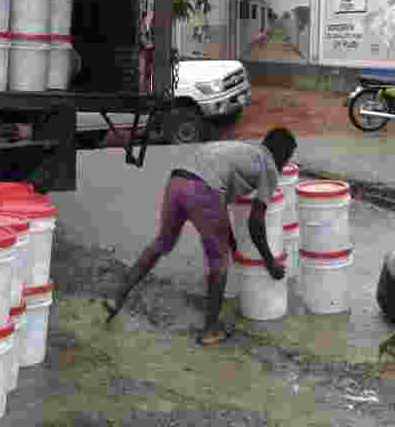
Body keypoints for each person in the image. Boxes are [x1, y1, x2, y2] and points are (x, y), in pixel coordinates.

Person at [104, 128, 298, 346]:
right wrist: (270, 262)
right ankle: (210, 330)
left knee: (160, 244)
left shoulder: (244, 151)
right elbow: (256, 221)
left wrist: (231, 240)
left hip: (177, 182)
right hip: (203, 190)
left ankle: (117, 297)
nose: (283, 167)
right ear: (282, 154)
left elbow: (219, 195)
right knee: (219, 262)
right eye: (287, 159)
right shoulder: (268, 166)